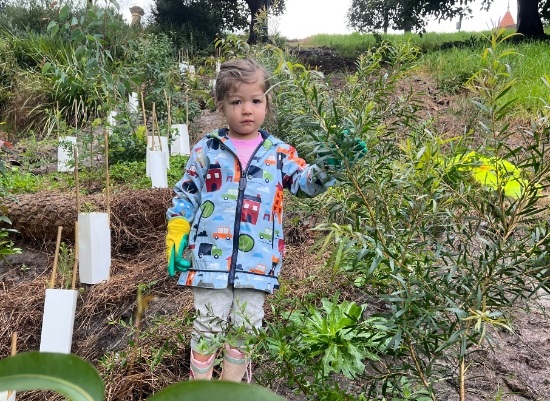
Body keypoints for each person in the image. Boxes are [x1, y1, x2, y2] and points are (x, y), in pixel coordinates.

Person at [165, 58, 339, 382]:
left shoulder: (279, 153)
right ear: (221, 105)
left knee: (247, 326)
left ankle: (232, 390)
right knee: (207, 324)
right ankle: (199, 391)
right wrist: (177, 229)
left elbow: (304, 182)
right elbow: (187, 193)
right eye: (237, 101)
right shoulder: (207, 150)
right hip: (209, 261)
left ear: (266, 104)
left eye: (255, 101)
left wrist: (333, 163)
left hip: (257, 263)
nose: (247, 109)